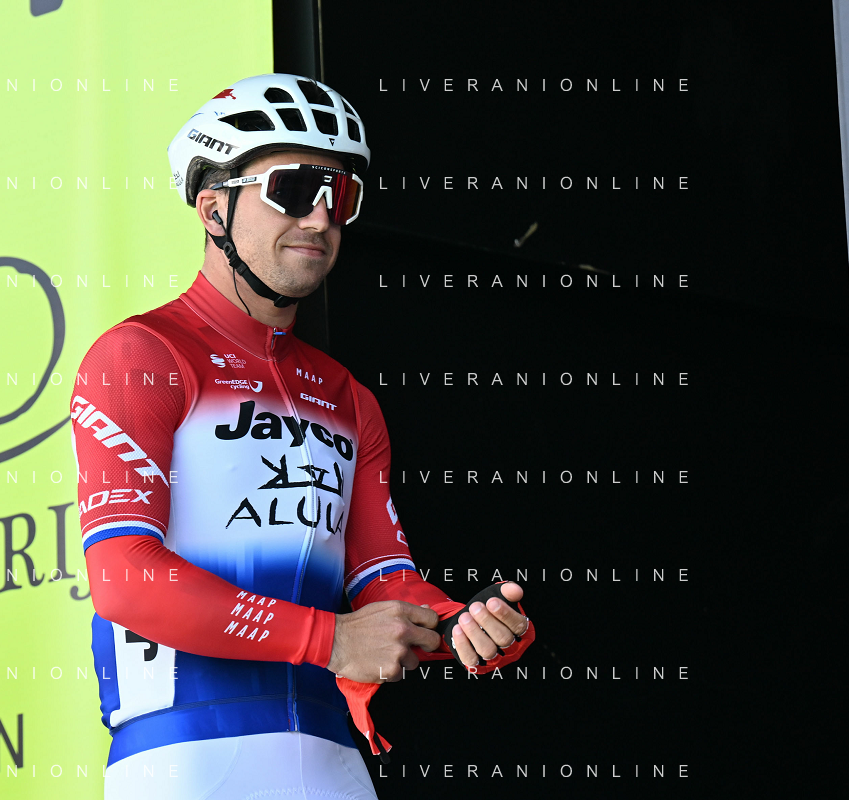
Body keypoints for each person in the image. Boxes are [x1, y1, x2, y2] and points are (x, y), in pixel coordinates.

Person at [70, 73, 535, 799]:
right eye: (291, 189)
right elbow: (124, 576)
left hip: (328, 755)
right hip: (188, 755)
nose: (320, 219)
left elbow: (383, 579)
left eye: (339, 196)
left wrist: (459, 626)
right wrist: (332, 639)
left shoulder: (349, 397)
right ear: (212, 207)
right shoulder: (140, 356)